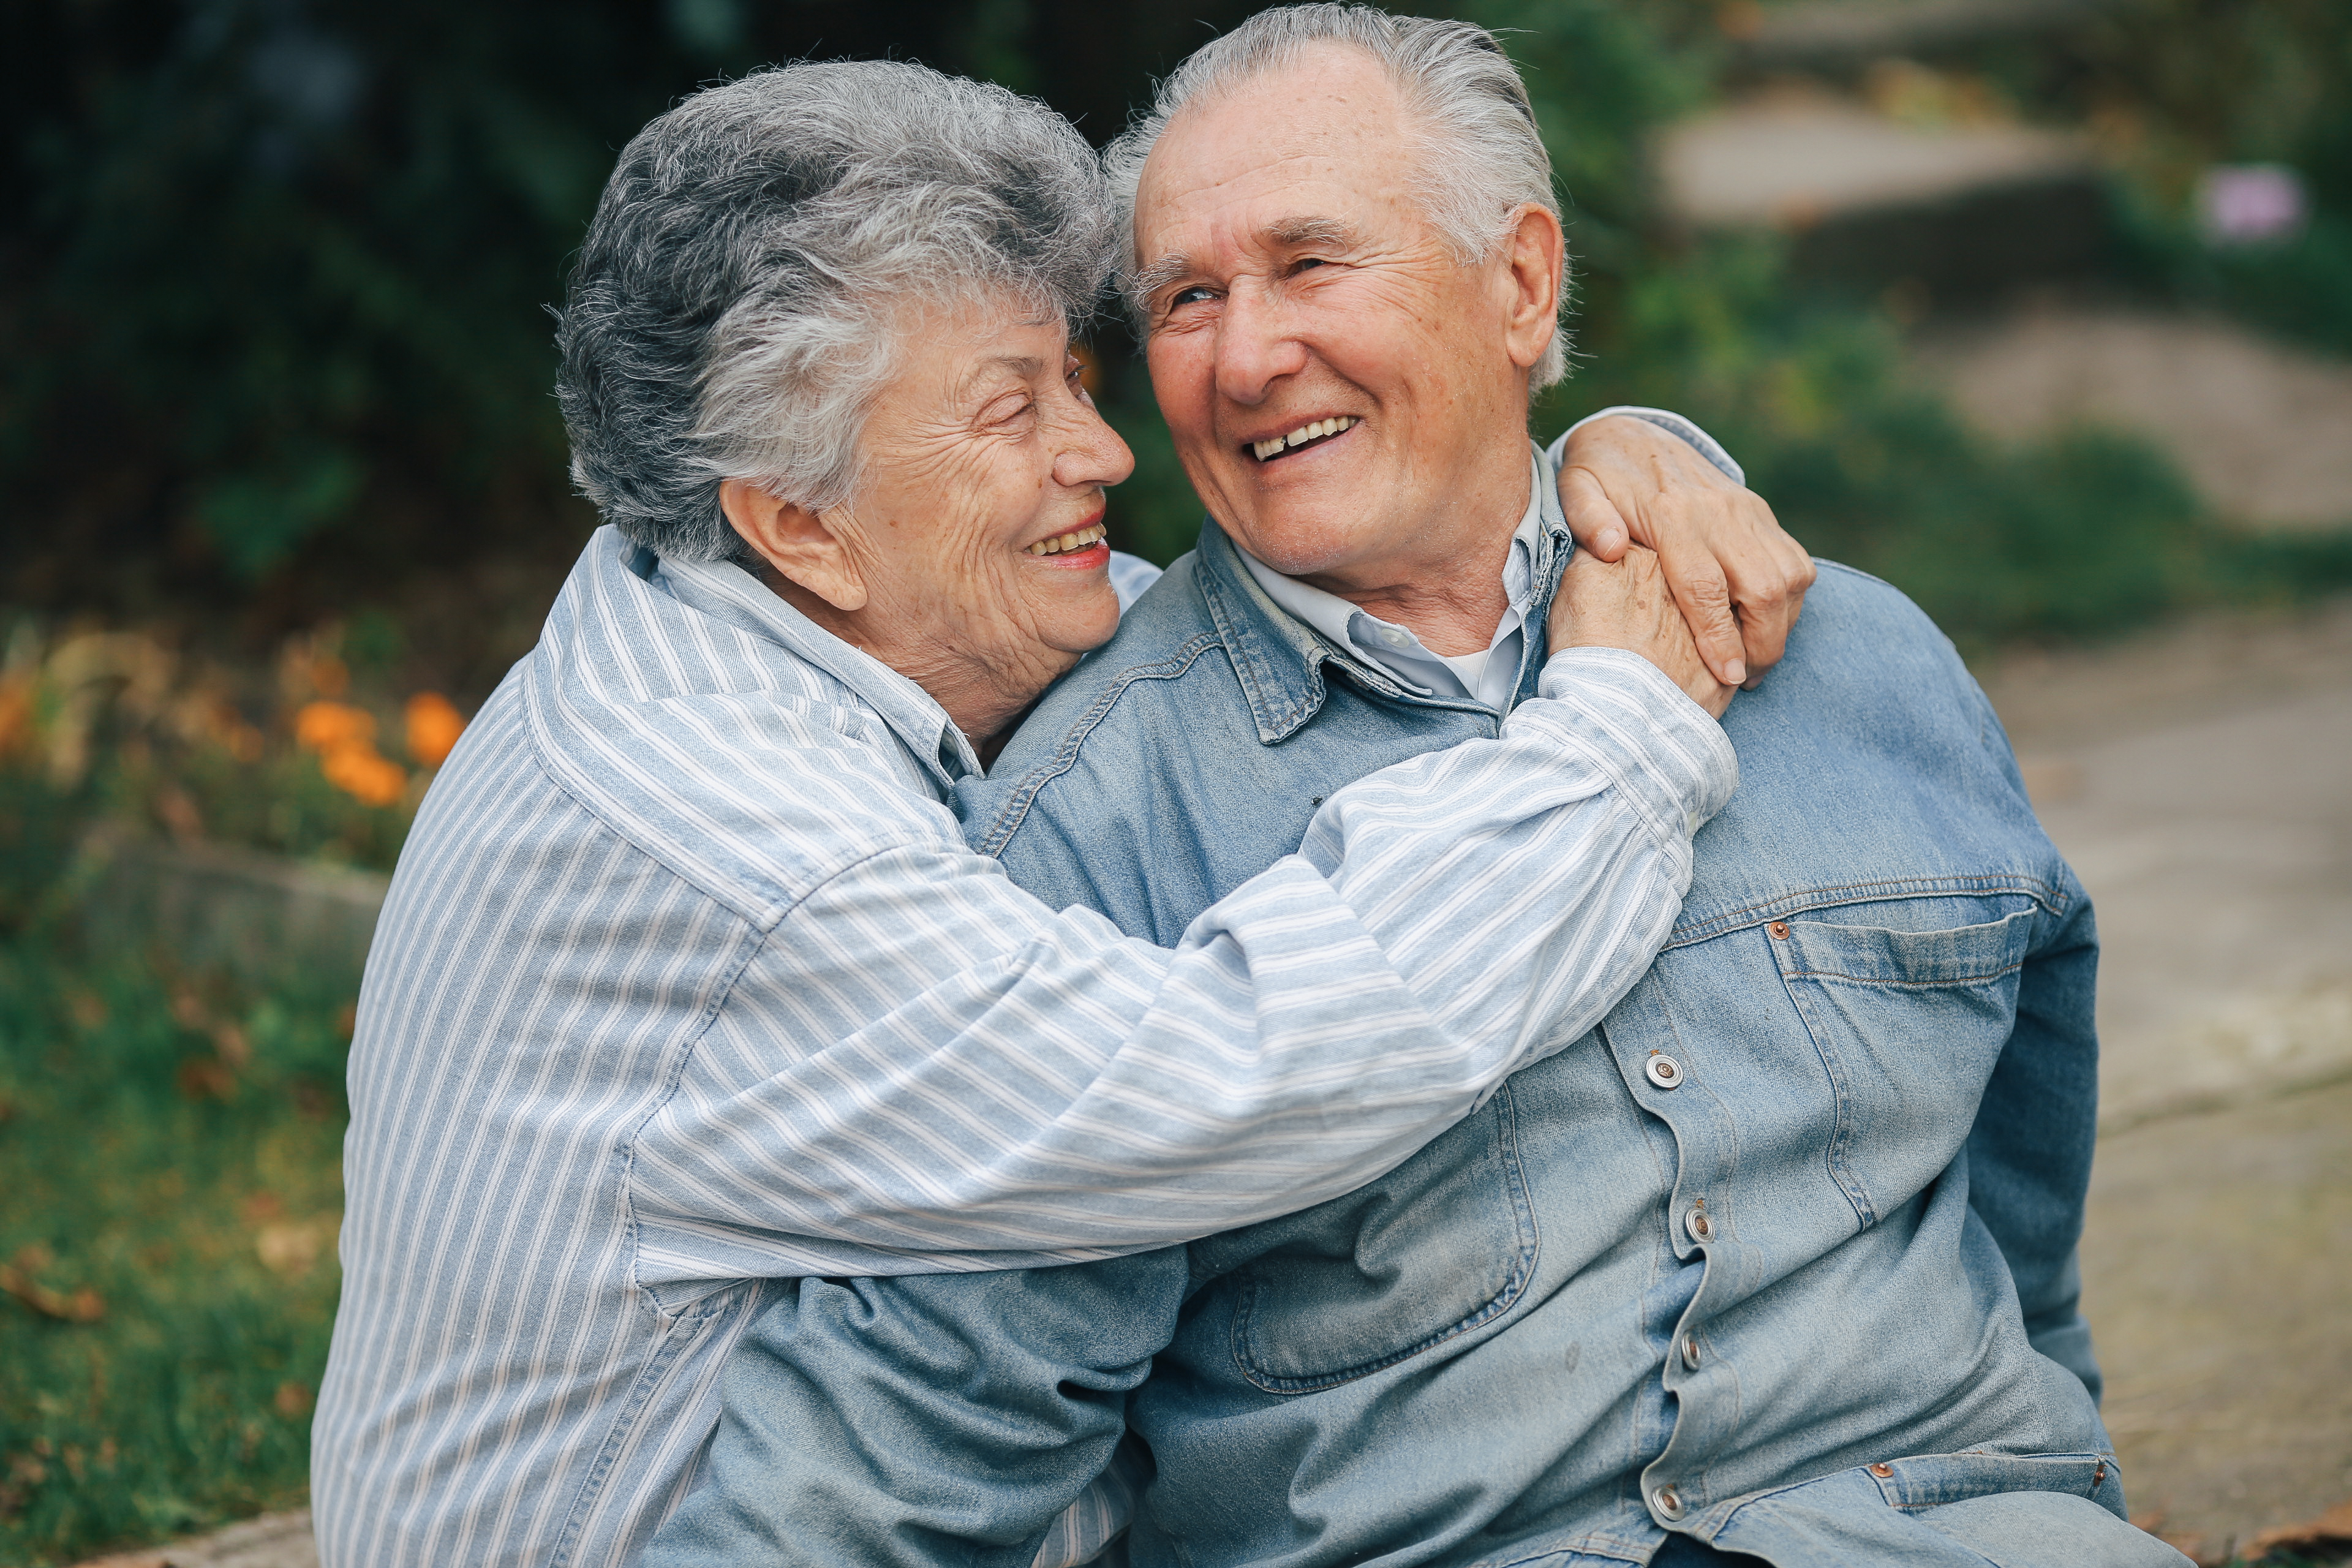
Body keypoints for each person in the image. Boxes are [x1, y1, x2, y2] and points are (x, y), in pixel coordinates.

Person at [646, 11, 2187, 1568]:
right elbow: (924, 1408)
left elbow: (2018, 1186)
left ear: (1520, 281)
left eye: (1313, 263)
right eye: (1188, 297)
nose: (1246, 357)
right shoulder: (1086, 828)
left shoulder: (1852, 657)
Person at [309, 56, 1805, 1568]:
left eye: (1078, 381)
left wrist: (1600, 469)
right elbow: (1239, 1075)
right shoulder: (727, 831)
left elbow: (1320, 629)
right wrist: (1622, 733)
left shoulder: (773, 600)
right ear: (801, 523)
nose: (1100, 453)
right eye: (1009, 411)